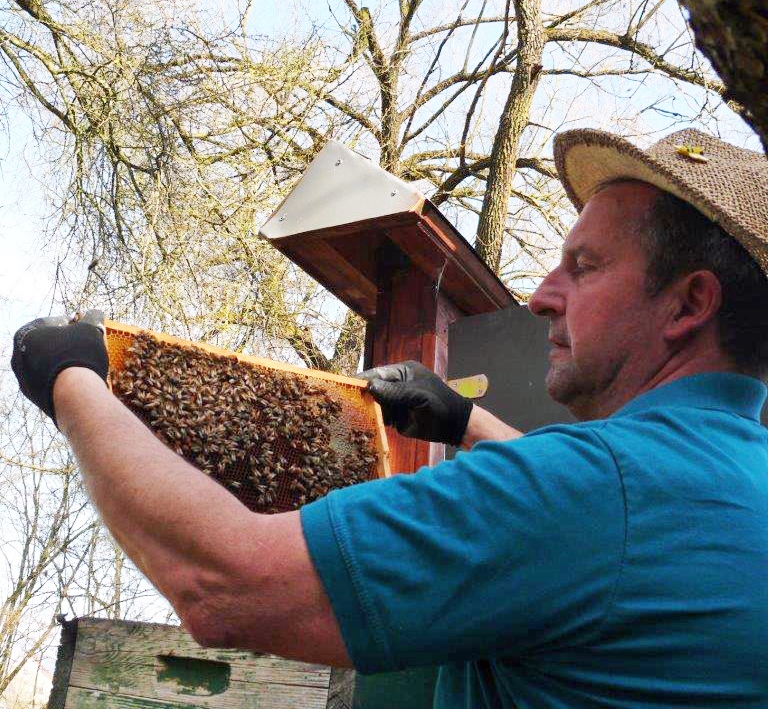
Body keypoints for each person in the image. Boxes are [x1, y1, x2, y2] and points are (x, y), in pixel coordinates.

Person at [10, 128, 768, 708]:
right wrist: (463, 421)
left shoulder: (594, 491)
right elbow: (604, 537)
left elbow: (224, 582)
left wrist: (72, 378)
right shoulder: (734, 481)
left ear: (689, 303)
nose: (541, 295)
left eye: (586, 266)